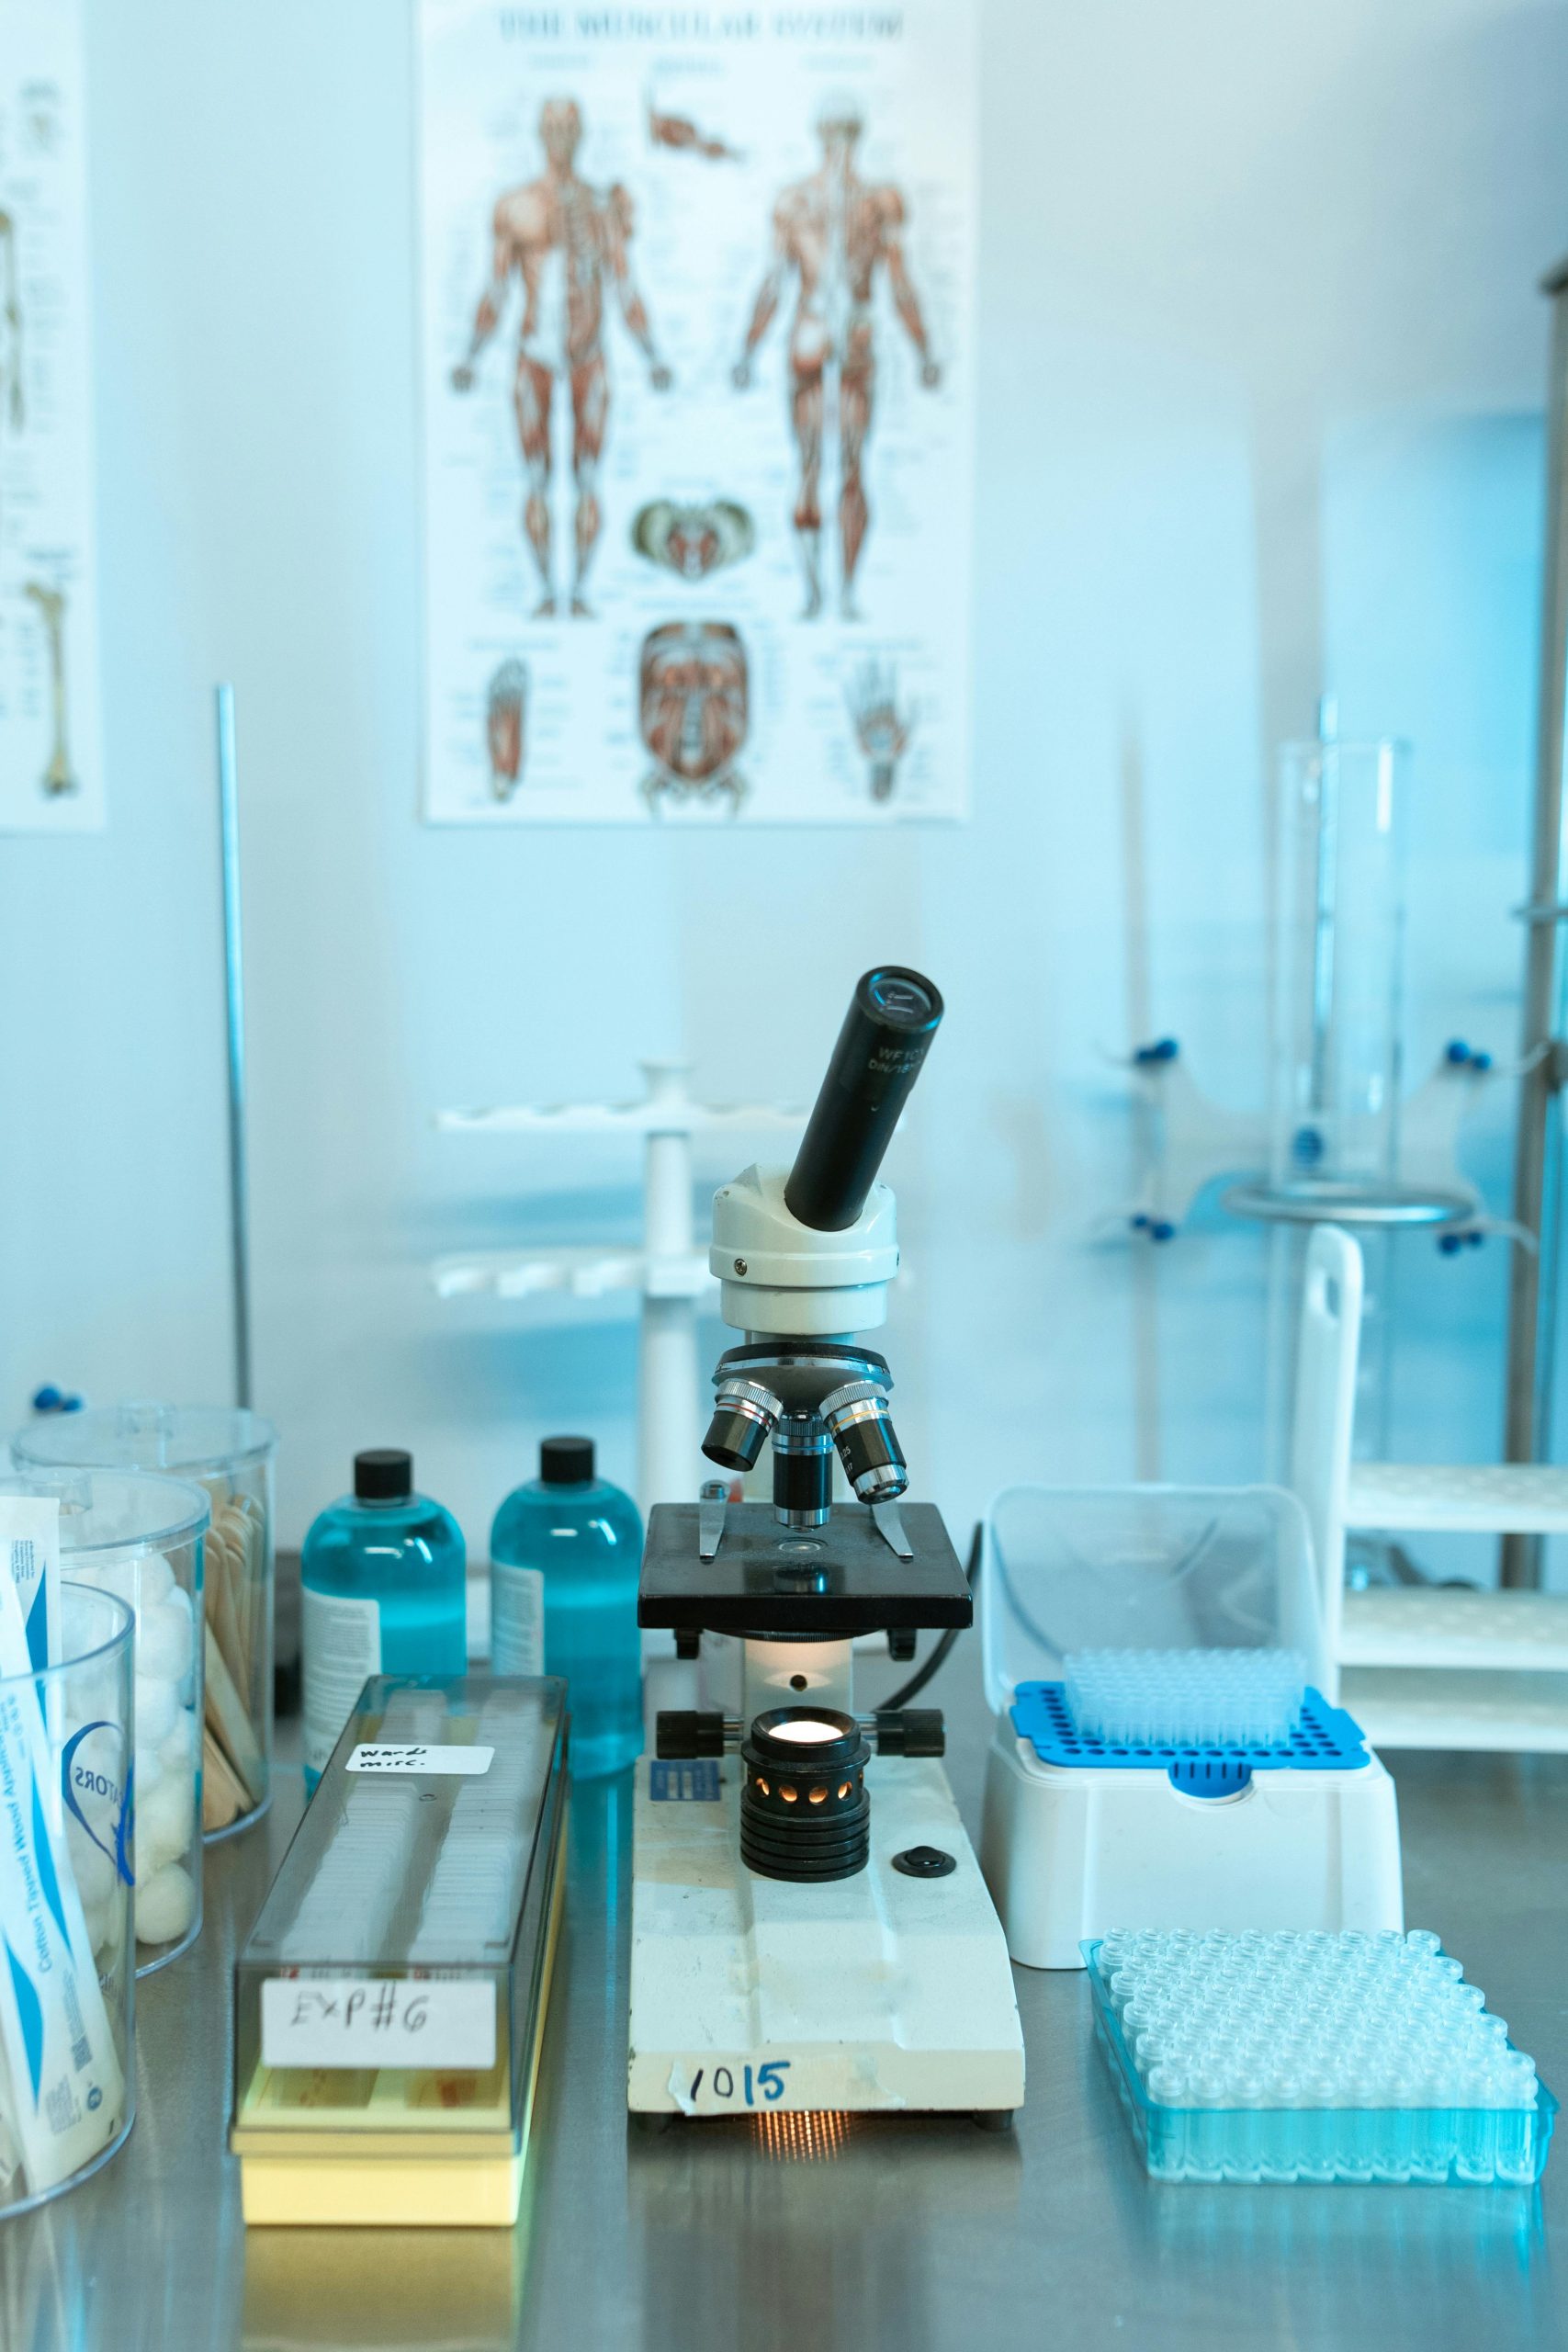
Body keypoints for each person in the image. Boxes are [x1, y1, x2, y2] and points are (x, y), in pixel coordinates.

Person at [452, 99, 671, 616]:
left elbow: (623, 287)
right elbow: (497, 290)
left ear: (581, 133)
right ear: (538, 132)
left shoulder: (600, 207)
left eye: (569, 126)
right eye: (551, 126)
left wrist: (652, 354)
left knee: (588, 474)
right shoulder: (514, 207)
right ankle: (549, 591)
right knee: (535, 476)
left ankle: (582, 591)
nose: (560, 135)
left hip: (588, 355)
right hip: (534, 355)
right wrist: (472, 355)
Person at [733, 96, 939, 619]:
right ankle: (828, 593)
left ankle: (830, 593)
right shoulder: (867, 202)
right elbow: (894, 282)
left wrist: (748, 352)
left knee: (832, 466)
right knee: (834, 467)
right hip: (846, 331)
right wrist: (923, 351)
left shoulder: (811, 202)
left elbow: (777, 284)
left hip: (827, 330)